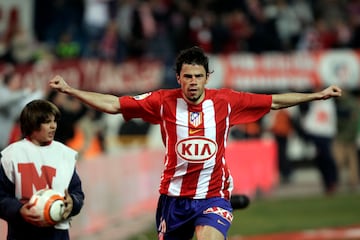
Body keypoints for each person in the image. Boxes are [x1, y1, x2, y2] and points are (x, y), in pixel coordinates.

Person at [49, 46, 342, 240]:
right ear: (178, 77)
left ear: (207, 78)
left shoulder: (227, 101)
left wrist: (316, 96)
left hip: (214, 195)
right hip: (173, 199)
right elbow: (114, 104)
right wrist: (71, 90)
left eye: (198, 77)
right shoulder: (161, 101)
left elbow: (275, 100)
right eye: (187, 76)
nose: (192, 82)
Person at [0, 99, 85, 240]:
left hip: (57, 235)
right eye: (47, 122)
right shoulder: (11, 155)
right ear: (32, 124)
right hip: (22, 234)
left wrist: (73, 203)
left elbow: (77, 193)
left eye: (55, 121)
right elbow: (1, 196)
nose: (53, 126)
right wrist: (19, 210)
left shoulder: (65, 154)